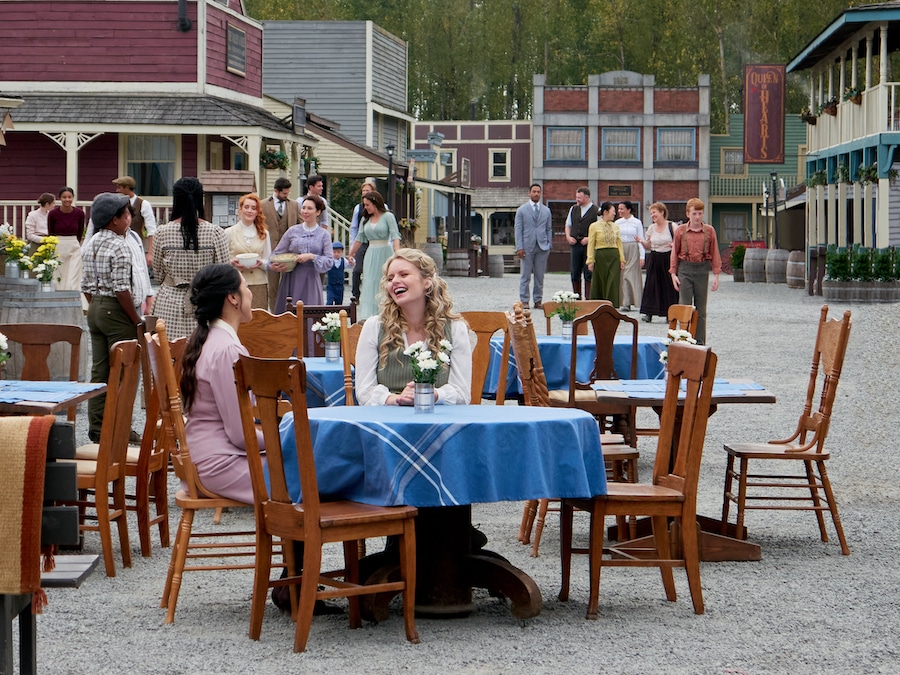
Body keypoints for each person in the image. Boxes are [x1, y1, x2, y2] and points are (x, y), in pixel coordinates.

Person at [180, 264, 259, 504]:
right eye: (246, 286)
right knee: (315, 474)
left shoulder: (205, 339)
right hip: (221, 465)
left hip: (205, 460)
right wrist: (287, 436)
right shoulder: (227, 349)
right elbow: (240, 435)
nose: (251, 292)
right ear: (233, 297)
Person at [355, 248, 471, 407]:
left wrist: (434, 394)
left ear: (427, 282)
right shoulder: (374, 327)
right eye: (390, 278)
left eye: (403, 275)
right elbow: (364, 391)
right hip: (387, 420)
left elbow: (462, 394)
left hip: (438, 421)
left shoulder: (455, 328)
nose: (394, 281)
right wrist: (395, 399)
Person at [81, 192, 145, 443]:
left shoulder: (93, 241)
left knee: (99, 371)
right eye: (126, 215)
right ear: (114, 219)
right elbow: (121, 288)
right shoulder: (120, 244)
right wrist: (135, 320)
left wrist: (98, 305)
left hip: (95, 307)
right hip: (117, 311)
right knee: (124, 372)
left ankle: (97, 428)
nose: (130, 219)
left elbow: (86, 284)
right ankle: (120, 428)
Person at [152, 177, 230, 339]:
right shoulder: (215, 233)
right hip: (205, 304)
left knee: (169, 356)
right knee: (202, 355)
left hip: (168, 304)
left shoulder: (162, 233)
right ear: (199, 199)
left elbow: (158, 275)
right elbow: (224, 276)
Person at [670, 197, 721, 345]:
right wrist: (673, 274)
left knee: (701, 309)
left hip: (702, 269)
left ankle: (699, 342)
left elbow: (715, 253)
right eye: (694, 214)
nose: (697, 217)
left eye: (700, 213)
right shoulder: (680, 231)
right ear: (688, 214)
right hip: (684, 268)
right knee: (685, 307)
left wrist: (716, 276)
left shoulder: (709, 231)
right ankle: (684, 340)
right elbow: (674, 252)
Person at [270, 194, 334, 312]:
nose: (305, 211)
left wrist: (312, 256)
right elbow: (275, 254)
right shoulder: (292, 231)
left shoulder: (324, 234)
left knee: (309, 316)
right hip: (291, 279)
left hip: (311, 280)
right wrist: (275, 265)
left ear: (318, 212)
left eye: (309, 208)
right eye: (303, 208)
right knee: (290, 315)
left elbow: (329, 261)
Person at [346, 190, 401, 320]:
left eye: (367, 205)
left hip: (385, 252)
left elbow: (395, 236)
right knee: (369, 281)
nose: (365, 207)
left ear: (375, 203)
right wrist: (351, 254)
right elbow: (359, 238)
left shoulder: (388, 216)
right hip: (371, 252)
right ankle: (369, 315)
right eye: (364, 205)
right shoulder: (366, 220)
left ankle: (387, 313)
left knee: (384, 281)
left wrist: (398, 255)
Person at [259, 177, 300, 312]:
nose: (287, 195)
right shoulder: (263, 204)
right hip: (270, 252)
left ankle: (289, 314)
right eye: (284, 193)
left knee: (289, 287)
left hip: (289, 254)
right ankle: (275, 314)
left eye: (288, 193)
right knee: (273, 288)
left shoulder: (293, 205)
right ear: (276, 191)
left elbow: (300, 225)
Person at [224, 193, 271, 309]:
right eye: (246, 207)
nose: (249, 211)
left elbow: (268, 261)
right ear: (240, 210)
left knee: (258, 319)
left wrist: (260, 263)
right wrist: (232, 263)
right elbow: (222, 261)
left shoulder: (264, 233)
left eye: (253, 208)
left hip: (258, 283)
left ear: (257, 212)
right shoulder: (229, 232)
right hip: (236, 283)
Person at [639, 202, 679, 323]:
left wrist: (674, 245)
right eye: (651, 213)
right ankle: (649, 312)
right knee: (651, 285)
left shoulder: (672, 226)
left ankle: (670, 313)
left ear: (662, 212)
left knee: (669, 286)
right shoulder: (651, 228)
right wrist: (641, 242)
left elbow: (679, 243)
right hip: (655, 257)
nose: (652, 215)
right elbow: (648, 246)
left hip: (668, 257)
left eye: (654, 212)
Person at [514, 183, 552, 309]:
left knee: (539, 276)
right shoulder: (522, 210)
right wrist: (519, 247)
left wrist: (549, 244)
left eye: (538, 192)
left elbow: (549, 229)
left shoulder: (546, 211)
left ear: (541, 194)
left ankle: (538, 300)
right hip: (526, 247)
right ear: (529, 193)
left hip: (542, 247)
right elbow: (518, 230)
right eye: (534, 191)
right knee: (525, 276)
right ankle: (524, 300)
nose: (536, 194)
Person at [113, 175, 157, 267]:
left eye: (119, 188)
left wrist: (150, 253)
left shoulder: (143, 204)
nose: (117, 191)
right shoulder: (116, 203)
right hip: (117, 246)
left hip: (136, 245)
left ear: (127, 188)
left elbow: (151, 230)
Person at [586, 201, 625, 304]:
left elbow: (619, 243)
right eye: (613, 211)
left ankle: (611, 305)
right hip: (600, 256)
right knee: (600, 281)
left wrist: (622, 259)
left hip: (614, 256)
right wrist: (590, 260)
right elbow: (591, 243)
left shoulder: (615, 226)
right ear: (606, 211)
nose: (614, 213)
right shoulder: (594, 226)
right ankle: (599, 305)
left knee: (613, 282)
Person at [47, 186, 85, 291]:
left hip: (73, 244)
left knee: (74, 272)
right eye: (64, 197)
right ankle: (58, 294)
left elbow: (80, 231)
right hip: (58, 245)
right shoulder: (53, 214)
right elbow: (51, 232)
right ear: (60, 198)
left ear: (73, 197)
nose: (67, 200)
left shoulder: (79, 213)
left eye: (69, 197)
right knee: (59, 272)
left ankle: (74, 294)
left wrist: (75, 242)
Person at [565, 187, 598, 299]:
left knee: (589, 272)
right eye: (576, 197)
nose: (577, 199)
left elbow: (599, 229)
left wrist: (590, 238)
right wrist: (568, 237)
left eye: (579, 197)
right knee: (575, 272)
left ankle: (588, 298)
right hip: (575, 245)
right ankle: (577, 297)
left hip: (589, 246)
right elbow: (568, 225)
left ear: (587, 197)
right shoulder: (573, 209)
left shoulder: (596, 210)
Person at [349, 180, 377, 304]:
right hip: (362, 243)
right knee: (357, 270)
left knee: (373, 271)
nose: (365, 193)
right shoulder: (358, 208)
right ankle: (356, 295)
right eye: (364, 191)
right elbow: (354, 228)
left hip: (376, 243)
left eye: (368, 191)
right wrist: (352, 245)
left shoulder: (383, 208)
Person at [616, 201, 645, 311]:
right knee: (623, 275)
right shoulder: (618, 223)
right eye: (619, 209)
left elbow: (640, 238)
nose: (620, 211)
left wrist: (642, 256)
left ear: (628, 209)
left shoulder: (637, 222)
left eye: (622, 209)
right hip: (621, 248)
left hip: (633, 249)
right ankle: (625, 302)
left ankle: (637, 301)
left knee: (631, 275)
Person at [325, 241, 351, 305]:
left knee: (339, 302)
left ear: (342, 252)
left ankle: (337, 314)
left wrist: (352, 262)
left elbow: (349, 265)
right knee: (329, 301)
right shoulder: (329, 261)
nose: (336, 254)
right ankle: (328, 313)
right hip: (331, 285)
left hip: (340, 285)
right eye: (334, 252)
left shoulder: (343, 260)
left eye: (338, 252)